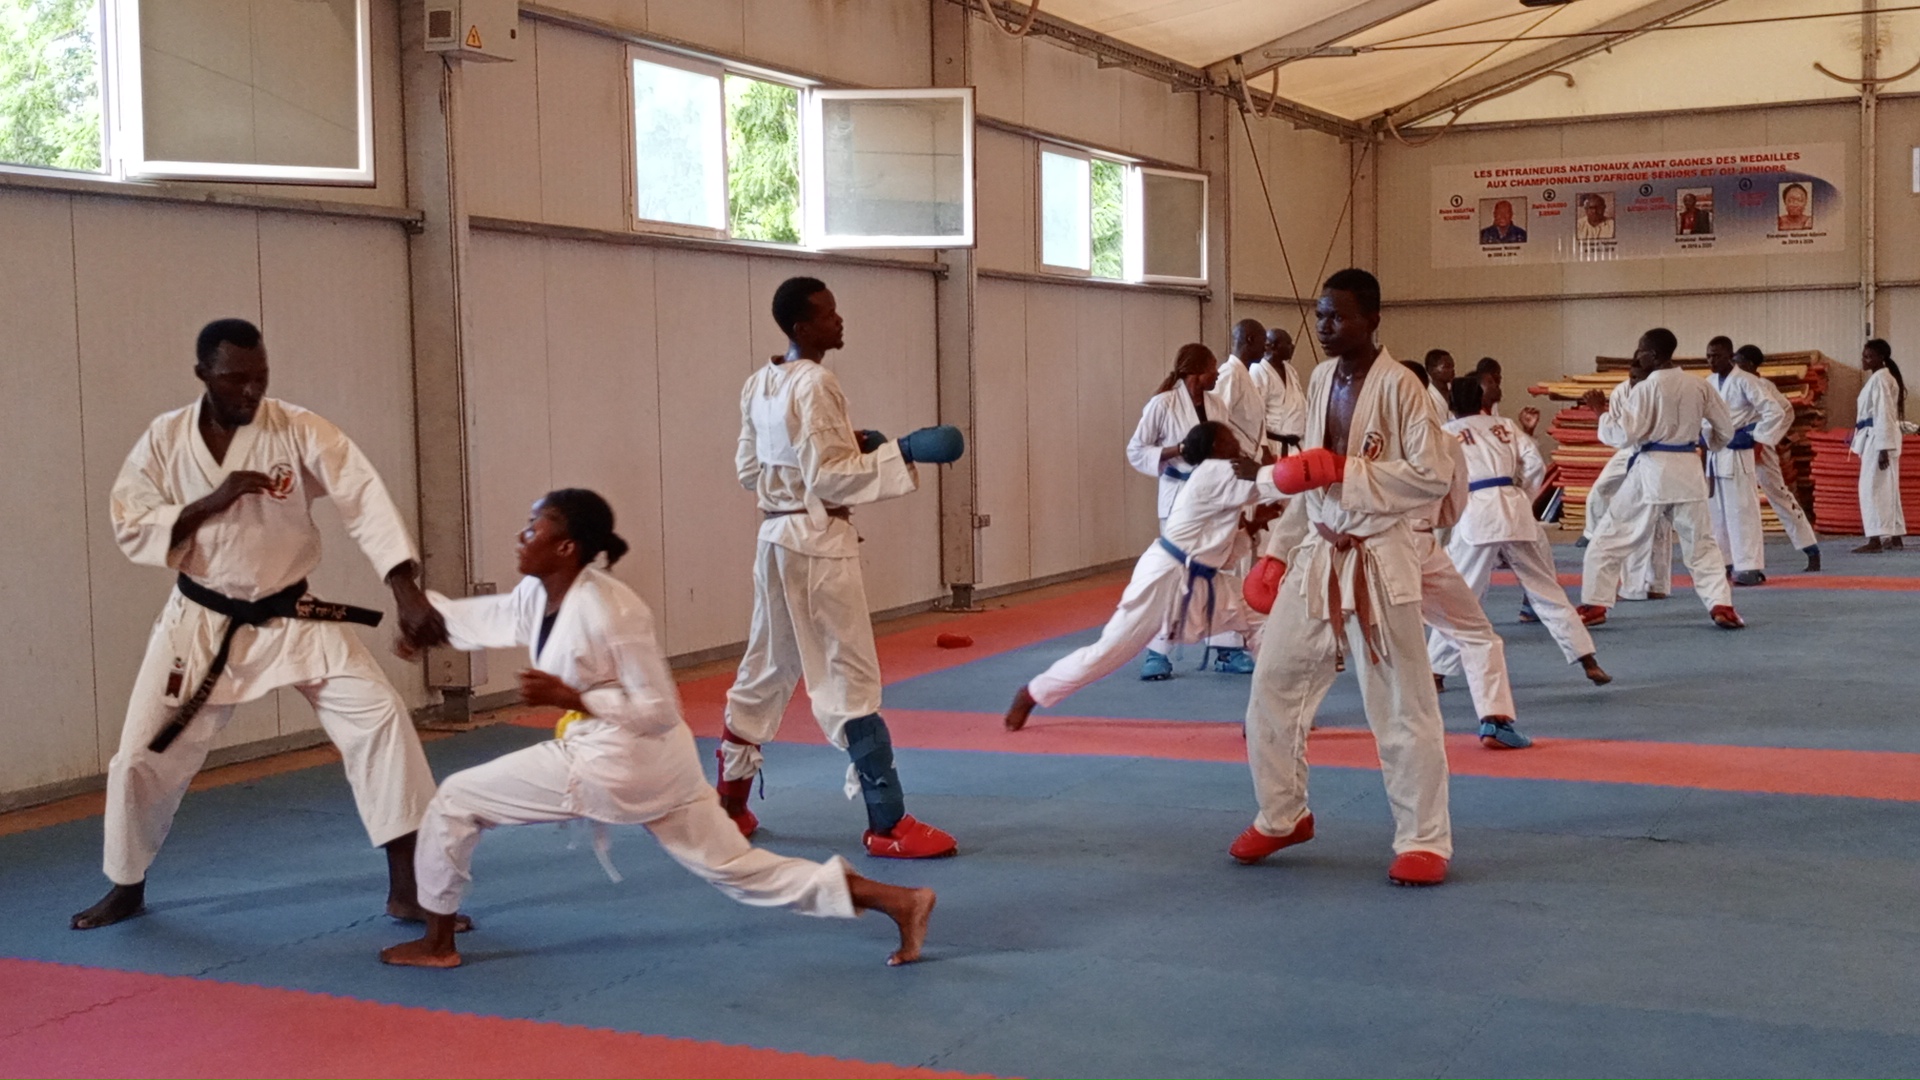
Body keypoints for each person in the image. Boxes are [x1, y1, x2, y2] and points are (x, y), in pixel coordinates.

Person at [380, 491, 935, 969]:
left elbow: (660, 708)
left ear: (566, 547)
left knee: (455, 800)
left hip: (616, 762)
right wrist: (429, 625)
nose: (521, 536)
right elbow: (496, 617)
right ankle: (899, 902)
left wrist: (573, 698)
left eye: (534, 526)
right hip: (663, 769)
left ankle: (437, 942)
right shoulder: (541, 593)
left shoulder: (612, 611)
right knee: (737, 868)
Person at [73, 318, 445, 931]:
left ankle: (409, 889)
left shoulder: (296, 429)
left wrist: (404, 587)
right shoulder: (165, 438)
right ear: (203, 375)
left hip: (292, 613)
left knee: (381, 719)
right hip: (200, 623)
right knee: (140, 756)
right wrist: (210, 501)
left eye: (260, 376)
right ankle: (126, 884)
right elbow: (130, 522)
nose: (251, 391)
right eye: (235, 379)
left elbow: (363, 497)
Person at [718, 277, 963, 858]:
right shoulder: (817, 382)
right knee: (848, 673)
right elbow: (829, 476)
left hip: (775, 537)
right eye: (828, 314)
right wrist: (901, 451)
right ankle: (888, 825)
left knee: (766, 667)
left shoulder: (760, 382)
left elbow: (750, 471)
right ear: (802, 327)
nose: (839, 320)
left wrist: (847, 448)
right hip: (818, 544)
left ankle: (727, 809)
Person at [1233, 268, 1456, 887]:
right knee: (1273, 685)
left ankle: (1424, 838)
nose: (1325, 327)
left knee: (1401, 703)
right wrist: (1278, 552)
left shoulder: (1403, 386)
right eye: (1321, 315)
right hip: (1318, 553)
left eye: (1338, 316)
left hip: (1378, 556)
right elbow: (1308, 480)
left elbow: (1433, 475)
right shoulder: (1322, 378)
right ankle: (1282, 815)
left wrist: (1345, 470)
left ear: (1372, 320)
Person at [1005, 422, 1272, 731]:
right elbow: (1278, 482)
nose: (1237, 443)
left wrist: (1254, 525)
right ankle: (1033, 692)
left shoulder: (1217, 477)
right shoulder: (1217, 470)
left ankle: (1268, 713)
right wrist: (1273, 469)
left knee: (1264, 616)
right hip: (1165, 577)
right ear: (1215, 448)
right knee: (1110, 651)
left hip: (1198, 578)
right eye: (1230, 439)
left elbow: (1216, 550)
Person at [1429, 374, 1610, 703]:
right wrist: (1522, 497)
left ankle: (1436, 671)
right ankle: (1587, 658)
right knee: (1546, 589)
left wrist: (1448, 511)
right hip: (1515, 509)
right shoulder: (1506, 426)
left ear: (1452, 403)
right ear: (1481, 401)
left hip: (1477, 513)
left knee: (1461, 594)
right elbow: (1535, 465)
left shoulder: (1446, 433)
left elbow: (1440, 479)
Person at [1391, 361, 1532, 750]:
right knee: (1477, 634)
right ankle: (1495, 719)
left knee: (1324, 634)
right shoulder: (1444, 439)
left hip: (1361, 544)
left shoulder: (1361, 436)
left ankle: (1280, 716)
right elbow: (1451, 511)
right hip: (1419, 542)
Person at [1578, 328, 1744, 629]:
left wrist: (1600, 412)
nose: (1638, 356)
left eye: (1641, 350)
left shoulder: (1646, 389)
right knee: (1702, 545)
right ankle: (1721, 604)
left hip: (1652, 470)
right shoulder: (1698, 385)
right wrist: (1708, 443)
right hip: (1689, 469)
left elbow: (1622, 435)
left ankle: (1595, 604)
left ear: (1653, 355)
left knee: (1608, 538)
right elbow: (1725, 430)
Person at [1126, 345, 1252, 677]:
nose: (1217, 373)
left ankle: (1228, 649)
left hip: (1218, 496)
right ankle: (1157, 652)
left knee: (1220, 568)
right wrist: (1178, 449)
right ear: (1195, 371)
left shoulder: (1217, 405)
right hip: (1180, 496)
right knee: (1177, 574)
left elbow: (1227, 449)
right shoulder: (1163, 404)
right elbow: (1136, 450)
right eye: (1213, 367)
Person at [1579, 356, 1674, 600]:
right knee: (1601, 490)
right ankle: (1593, 533)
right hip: (1631, 452)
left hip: (1656, 455)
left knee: (1650, 519)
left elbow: (1621, 433)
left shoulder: (1660, 390)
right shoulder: (1622, 391)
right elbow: (1619, 436)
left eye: (1638, 377)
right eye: (1631, 376)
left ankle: (1651, 584)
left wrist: (1599, 411)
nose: (1633, 381)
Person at [1706, 336, 1789, 585]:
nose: (1711, 360)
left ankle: (1749, 566)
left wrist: (1753, 434)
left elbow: (1775, 411)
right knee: (1717, 512)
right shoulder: (1708, 383)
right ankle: (1724, 561)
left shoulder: (1747, 381)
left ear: (1729, 356)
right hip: (1715, 451)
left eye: (1717, 356)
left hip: (1738, 451)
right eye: (1708, 356)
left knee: (1742, 509)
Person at [1734, 345, 1821, 570]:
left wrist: (1768, 437)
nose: (1735, 365)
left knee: (1778, 493)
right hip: (1734, 446)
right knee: (1734, 500)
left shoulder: (1763, 385)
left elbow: (1785, 412)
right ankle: (1734, 558)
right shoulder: (1730, 383)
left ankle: (1810, 547)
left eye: (1738, 361)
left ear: (1749, 364)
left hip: (1759, 444)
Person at [1852, 339, 1908, 553]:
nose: (1864, 360)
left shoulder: (1881, 379)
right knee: (1887, 487)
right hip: (1877, 436)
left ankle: (1875, 539)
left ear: (1881, 358)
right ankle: (1895, 535)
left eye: (1869, 356)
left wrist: (1883, 448)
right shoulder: (1882, 378)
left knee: (1871, 488)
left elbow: (1883, 413)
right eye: (1864, 356)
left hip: (1879, 439)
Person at [1250, 327, 1308, 460]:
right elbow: (1256, 414)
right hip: (1273, 445)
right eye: (1288, 343)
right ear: (1274, 346)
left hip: (1295, 444)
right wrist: (1264, 448)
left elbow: (1299, 404)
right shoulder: (1258, 370)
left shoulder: (1290, 370)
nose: (1292, 347)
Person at [1218, 319, 1271, 461]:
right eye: (1264, 342)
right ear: (1250, 340)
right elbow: (1216, 423)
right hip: (1235, 461)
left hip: (1251, 459)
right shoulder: (1230, 373)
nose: (1265, 349)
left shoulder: (1244, 375)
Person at [1423, 349, 1455, 418]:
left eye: (1452, 367)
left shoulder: (1456, 392)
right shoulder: (1426, 395)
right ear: (1431, 370)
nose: (1452, 370)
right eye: (1447, 367)